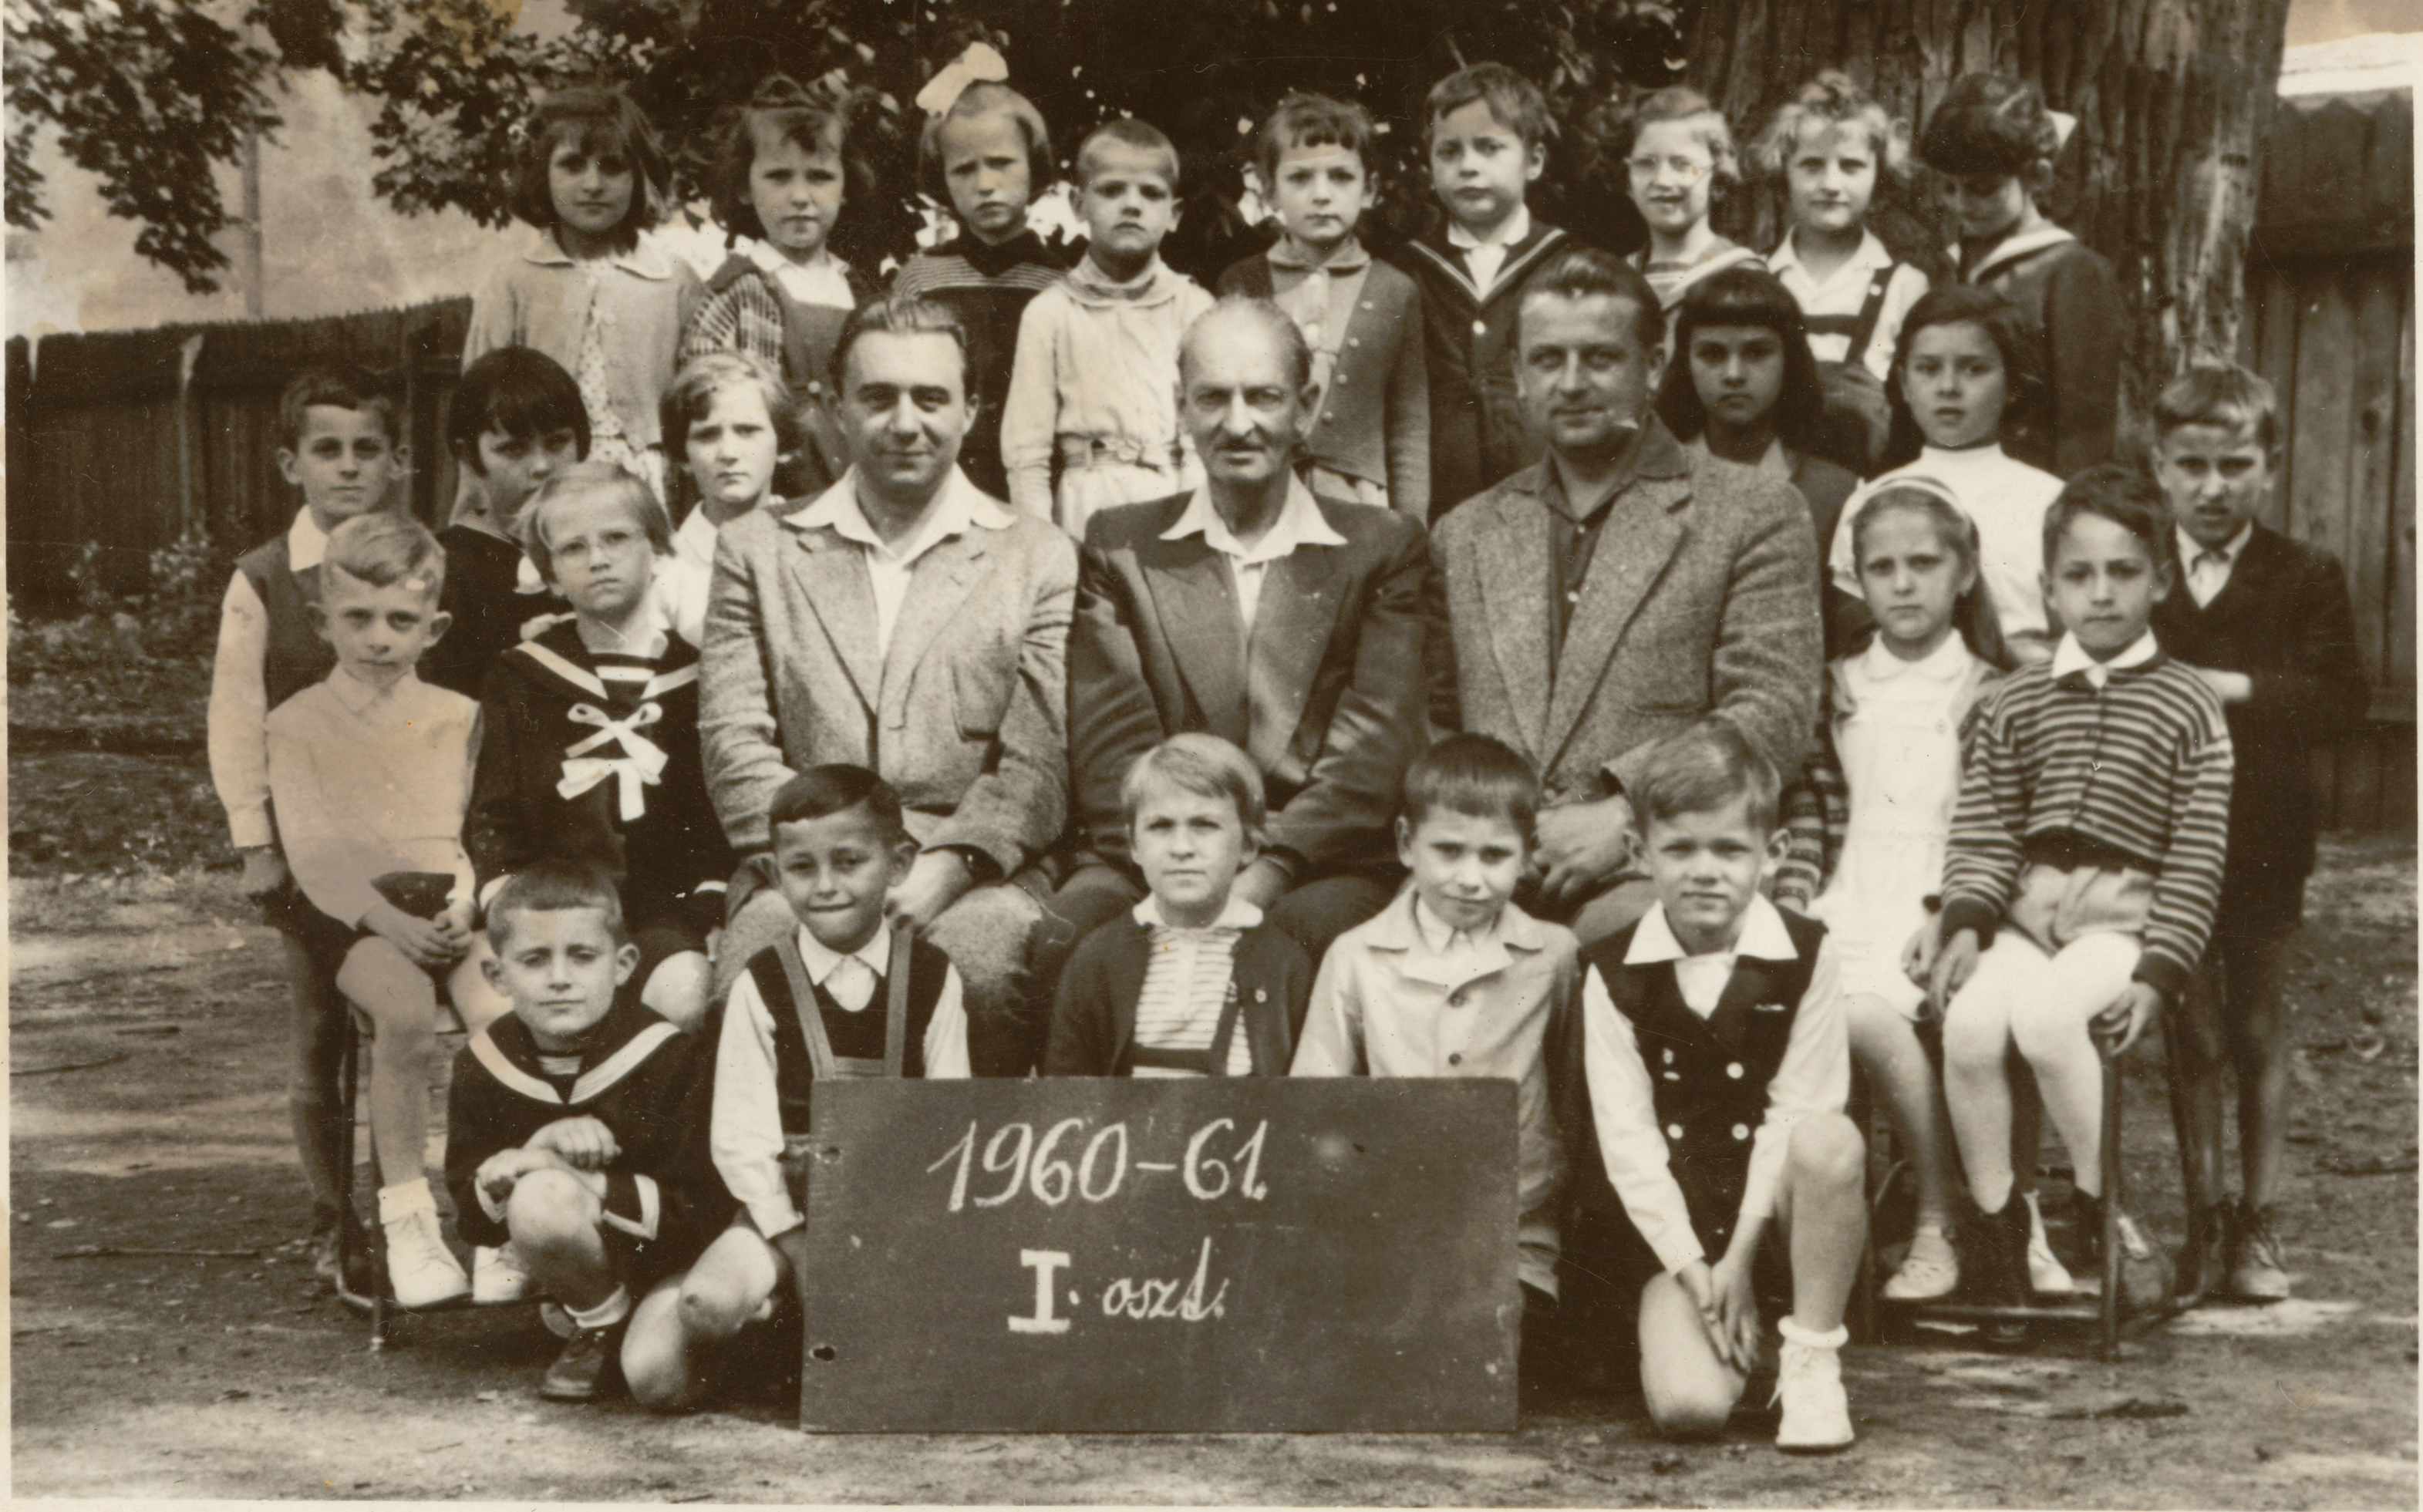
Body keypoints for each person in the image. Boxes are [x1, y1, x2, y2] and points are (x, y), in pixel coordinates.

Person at [701, 293, 1075, 1077]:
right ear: (835, 407)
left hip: (971, 873)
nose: (905, 423)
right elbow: (734, 741)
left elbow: (1037, 759)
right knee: (754, 971)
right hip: (802, 866)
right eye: (877, 397)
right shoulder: (757, 549)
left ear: (972, 409)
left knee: (976, 973)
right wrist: (831, 868)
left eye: (931, 398)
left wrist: (953, 863)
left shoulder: (1038, 555)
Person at [1431, 246, 1821, 944]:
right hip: (1486, 864)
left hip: (1658, 861)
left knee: (1626, 944)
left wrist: (1627, 814)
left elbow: (1773, 711)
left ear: (1654, 364)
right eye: (1548, 360)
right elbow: (1435, 723)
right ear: (1517, 374)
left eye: (1601, 358)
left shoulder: (1755, 511)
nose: (1572, 383)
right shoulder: (1465, 533)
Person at [1920, 465, 2234, 1314]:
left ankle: (2101, 1206)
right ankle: (2000, 1229)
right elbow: (1985, 827)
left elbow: (2197, 854)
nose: (2101, 593)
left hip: (2121, 921)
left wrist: (2159, 971)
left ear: (2160, 581)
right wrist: (1966, 924)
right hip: (2027, 919)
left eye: (2123, 572)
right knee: (1971, 1023)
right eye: (2079, 574)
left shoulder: (2188, 705)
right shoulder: (2017, 700)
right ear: (2049, 587)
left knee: (2047, 1017)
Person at [1050, 297, 1439, 979]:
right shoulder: (1123, 543)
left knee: (1287, 944)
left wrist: (1265, 875)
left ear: (1305, 406)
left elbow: (1371, 752)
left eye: (1263, 396)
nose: (1237, 424)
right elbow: (1113, 743)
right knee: (1069, 939)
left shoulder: (1381, 546)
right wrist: (1183, 875)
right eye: (1212, 398)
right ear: (1181, 406)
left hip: (1318, 861)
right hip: (1155, 854)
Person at [1554, 722, 1866, 1451]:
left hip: (1779, 1227)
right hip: (1680, 1238)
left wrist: (1743, 1261)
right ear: (1640, 854)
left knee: (1829, 1139)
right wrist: (1698, 1269)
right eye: (1680, 849)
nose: (1705, 871)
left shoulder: (1807, 952)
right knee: (1689, 1409)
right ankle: (1711, 1341)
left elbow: (1800, 1108)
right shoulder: (1611, 971)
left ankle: (1811, 1358)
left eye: (1729, 849)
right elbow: (1628, 1140)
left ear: (1772, 852)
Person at [630, 767, 969, 1412]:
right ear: (776, 873)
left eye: (849, 861)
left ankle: (800, 1340)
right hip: (781, 1217)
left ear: (899, 863)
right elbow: (741, 1142)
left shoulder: (934, 976)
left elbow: (949, 1120)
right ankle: (771, 1322)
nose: (826, 885)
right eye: (802, 867)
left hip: (893, 1211)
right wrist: (799, 1249)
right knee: (677, 1346)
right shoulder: (760, 983)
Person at [2148, 367, 2369, 1303]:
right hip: (2164, 833)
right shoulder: (2139, 568)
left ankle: (2260, 1218)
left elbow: (2339, 699)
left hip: (2263, 831)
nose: (2212, 487)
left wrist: (2225, 686)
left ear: (2269, 467)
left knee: (2255, 1023)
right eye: (2191, 465)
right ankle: (2203, 1217)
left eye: (2234, 465)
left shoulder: (2302, 574)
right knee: (2192, 1027)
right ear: (2159, 466)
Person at [1772, 482, 2010, 1303]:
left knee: (1866, 1014)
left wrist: (1952, 910)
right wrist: (1789, 902)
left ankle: (1938, 1216)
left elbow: (1996, 825)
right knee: (1801, 991)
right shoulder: (1831, 685)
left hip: (1944, 899)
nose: (1903, 584)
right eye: (1882, 568)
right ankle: (1818, 1225)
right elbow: (1809, 815)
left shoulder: (1992, 689)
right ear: (1856, 580)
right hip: (1844, 891)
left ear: (1964, 571)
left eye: (1924, 563)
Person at [264, 512, 507, 1308]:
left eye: (401, 620)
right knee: (401, 1010)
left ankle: (500, 1214)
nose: (378, 638)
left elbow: (464, 832)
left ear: (434, 627)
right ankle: (409, 1223)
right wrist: (384, 920)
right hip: (357, 915)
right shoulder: (296, 723)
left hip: (446, 910)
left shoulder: (456, 714)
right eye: (358, 617)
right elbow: (314, 851)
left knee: (506, 1010)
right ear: (321, 620)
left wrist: (465, 903)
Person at [208, 366, 409, 1289]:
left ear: (396, 460)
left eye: (368, 448)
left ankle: (403, 1210)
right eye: (328, 449)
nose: (349, 466)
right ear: (292, 463)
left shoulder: (417, 560)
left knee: (400, 1019)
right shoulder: (262, 579)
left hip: (408, 836)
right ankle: (334, 1219)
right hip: (308, 845)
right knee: (322, 1022)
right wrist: (256, 841)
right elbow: (235, 714)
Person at [1291, 733, 1579, 1368]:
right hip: (1388, 1221)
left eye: (1495, 855)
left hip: (1513, 1229)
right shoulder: (1357, 955)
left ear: (1528, 854)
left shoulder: (1554, 956)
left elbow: (1567, 1091)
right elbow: (1317, 1100)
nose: (1470, 878)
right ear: (1405, 843)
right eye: (1448, 850)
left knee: (1471, 1360)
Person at [467, 463, 732, 1036]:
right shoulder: (521, 676)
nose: (598, 559)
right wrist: (510, 907)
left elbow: (713, 824)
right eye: (573, 548)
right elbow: (494, 814)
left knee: (684, 995)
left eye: (616, 537)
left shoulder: (697, 676)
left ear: (657, 549)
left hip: (665, 913)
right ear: (551, 576)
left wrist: (707, 905)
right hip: (552, 915)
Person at [443, 863, 718, 1403]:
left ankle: (646, 1326)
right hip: (579, 1268)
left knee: (657, 1379)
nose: (560, 978)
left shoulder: (669, 1056)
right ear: (498, 976)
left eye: (583, 956)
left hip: (675, 1262)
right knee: (538, 1197)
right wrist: (533, 1151)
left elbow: (701, 1212)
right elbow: (474, 1222)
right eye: (534, 959)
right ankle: (599, 1321)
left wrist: (581, 1178)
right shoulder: (483, 1063)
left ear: (623, 965)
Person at [464, 86, 703, 497]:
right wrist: (474, 500)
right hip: (543, 476)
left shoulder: (673, 279)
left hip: (648, 480)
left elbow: (700, 399)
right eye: (572, 166)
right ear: (542, 175)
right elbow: (476, 410)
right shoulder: (513, 281)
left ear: (640, 177)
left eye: (613, 167)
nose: (593, 184)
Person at [1044, 735, 1313, 1076]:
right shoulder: (1098, 960)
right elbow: (1067, 1088)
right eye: (1161, 826)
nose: (1182, 848)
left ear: (1248, 845)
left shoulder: (1284, 963)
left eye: (1205, 826)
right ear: (1134, 845)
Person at [1826, 285, 2064, 666]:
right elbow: (1856, 638)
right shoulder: (1874, 499)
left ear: (2014, 384)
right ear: (1905, 384)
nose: (1948, 387)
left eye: (1974, 369)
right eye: (1929, 368)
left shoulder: (2052, 499)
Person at [1216, 92, 1430, 517]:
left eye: (1341, 177)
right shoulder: (1242, 283)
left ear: (1369, 190)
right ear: (1270, 192)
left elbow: (1408, 425)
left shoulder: (1395, 291)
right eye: (1300, 178)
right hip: (1257, 495)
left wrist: (1410, 529)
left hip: (1358, 504)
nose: (1321, 194)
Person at [1000, 117, 1215, 536]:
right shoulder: (1051, 312)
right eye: (1112, 190)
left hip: (1177, 500)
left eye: (1151, 193)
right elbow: (1027, 453)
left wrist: (1195, 529)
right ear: (1078, 204)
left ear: (1174, 214)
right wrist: (1041, 547)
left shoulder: (1195, 307)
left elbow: (1204, 438)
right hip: (1087, 507)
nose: (1132, 205)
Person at [679, 75, 878, 500]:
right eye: (779, 177)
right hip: (776, 485)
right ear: (743, 188)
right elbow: (705, 398)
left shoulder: (860, 290)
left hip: (860, 479)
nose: (800, 196)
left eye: (820, 176)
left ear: (845, 187)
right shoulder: (738, 290)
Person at [1919, 73, 2123, 479]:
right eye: (1949, 188)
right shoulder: (1949, 266)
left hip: (2032, 485)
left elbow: (2085, 426)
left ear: (2037, 177)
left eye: (1982, 188)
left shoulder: (2071, 270)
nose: (1962, 204)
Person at [1651, 263, 1862, 646]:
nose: (1734, 373)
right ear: (1686, 363)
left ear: (1789, 360)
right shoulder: (1653, 485)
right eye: (1712, 354)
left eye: (1757, 352)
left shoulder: (1835, 494)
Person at [892, 62, 1070, 502]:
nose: (986, 184)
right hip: (943, 478)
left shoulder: (1062, 283)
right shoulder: (921, 278)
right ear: (942, 179)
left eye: (1002, 164)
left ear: (1034, 167)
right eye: (964, 169)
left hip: (1041, 481)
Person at [1402, 62, 1572, 517]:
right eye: (1449, 152)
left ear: (1533, 161)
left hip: (1550, 502)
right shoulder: (1406, 273)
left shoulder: (1569, 267)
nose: (1468, 166)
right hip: (1439, 507)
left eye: (1489, 147)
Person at [1754, 71, 1931, 471]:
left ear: (1878, 175)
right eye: (1812, 165)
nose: (1831, 184)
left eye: (1851, 166)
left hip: (1865, 476)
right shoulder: (1759, 275)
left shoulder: (1904, 285)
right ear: (1784, 171)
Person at [424, 347, 588, 698]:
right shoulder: (446, 568)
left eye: (557, 442)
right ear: (469, 454)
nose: (542, 466)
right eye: (515, 449)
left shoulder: (604, 550)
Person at [658, 352, 799, 647]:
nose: (728, 453)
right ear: (682, 455)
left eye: (747, 431)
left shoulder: (816, 546)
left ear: (782, 442)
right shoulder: (666, 572)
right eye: (707, 435)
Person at [1606, 87, 1764, 312]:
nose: (1662, 180)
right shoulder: (1617, 280)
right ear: (1627, 179)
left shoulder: (1743, 276)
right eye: (1646, 163)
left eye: (1682, 165)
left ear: (1717, 177)